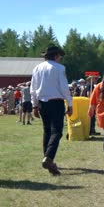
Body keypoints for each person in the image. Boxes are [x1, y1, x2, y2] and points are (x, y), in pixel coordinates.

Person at [30, 45, 73, 176]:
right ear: (56, 56)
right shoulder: (59, 68)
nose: (60, 59)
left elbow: (33, 88)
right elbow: (64, 88)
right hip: (56, 103)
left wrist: (34, 105)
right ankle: (48, 158)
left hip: (42, 103)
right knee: (57, 132)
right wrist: (70, 104)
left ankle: (48, 159)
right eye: (59, 56)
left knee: (47, 132)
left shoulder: (37, 68)